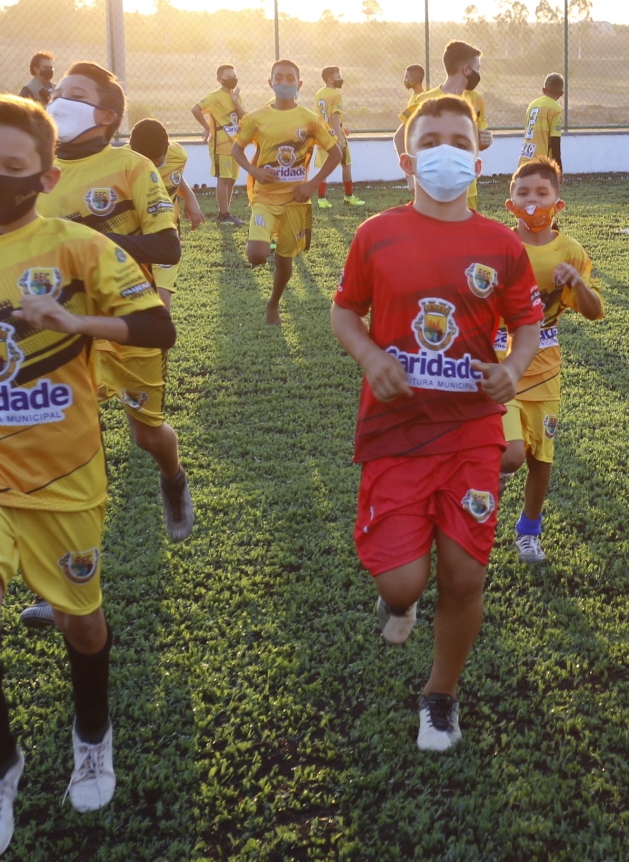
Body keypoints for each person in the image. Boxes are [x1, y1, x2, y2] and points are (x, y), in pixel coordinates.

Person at [0, 92, 178, 861]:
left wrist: (77, 323)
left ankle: (92, 735)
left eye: (13, 167)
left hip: (64, 471)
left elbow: (157, 325)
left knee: (81, 623)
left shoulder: (80, 248)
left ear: (45, 171)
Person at [330, 94, 541, 751]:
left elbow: (527, 322)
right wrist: (369, 356)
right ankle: (399, 601)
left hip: (472, 432)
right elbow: (344, 313)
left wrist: (513, 366)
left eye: (459, 138)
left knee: (465, 575)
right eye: (431, 139)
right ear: (406, 157)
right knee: (404, 580)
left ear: (479, 155)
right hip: (395, 431)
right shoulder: (375, 234)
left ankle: (440, 694)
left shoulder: (500, 244)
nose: (446, 149)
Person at [38, 62, 195, 548]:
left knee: (147, 437)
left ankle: (173, 479)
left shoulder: (132, 167)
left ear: (105, 115)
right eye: (58, 92)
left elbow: (168, 249)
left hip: (132, 323)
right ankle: (70, 576)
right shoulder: (39, 176)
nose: (57, 100)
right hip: (67, 330)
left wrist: (93, 242)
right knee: (72, 442)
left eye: (74, 94)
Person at [496, 160, 604, 564]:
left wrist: (575, 282)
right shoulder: (499, 244)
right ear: (510, 204)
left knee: (541, 459)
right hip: (501, 366)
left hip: (545, 372)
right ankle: (490, 488)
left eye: (542, 193)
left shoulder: (570, 251)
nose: (532, 202)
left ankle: (528, 532)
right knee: (512, 453)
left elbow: (594, 312)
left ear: (558, 204)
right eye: (523, 193)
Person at [232, 59, 344, 325]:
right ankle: (266, 234)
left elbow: (336, 153)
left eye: (290, 79)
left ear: (299, 84)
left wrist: (311, 184)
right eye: (278, 78)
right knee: (257, 256)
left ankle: (273, 304)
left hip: (295, 202)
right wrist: (254, 171)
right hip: (264, 198)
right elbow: (237, 149)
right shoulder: (256, 118)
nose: (284, 83)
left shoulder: (310, 120)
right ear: (270, 83)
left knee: (285, 259)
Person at [393, 41, 492, 209]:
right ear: (466, 69)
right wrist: (411, 178)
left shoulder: (476, 100)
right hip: (431, 187)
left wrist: (484, 141)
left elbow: (476, 143)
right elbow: (400, 136)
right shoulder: (426, 100)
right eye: (478, 68)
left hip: (467, 189)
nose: (478, 73)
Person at [127, 118, 202, 310]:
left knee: (161, 306)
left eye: (157, 163)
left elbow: (175, 175)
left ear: (167, 149)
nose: (151, 167)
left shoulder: (178, 156)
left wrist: (190, 197)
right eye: (145, 164)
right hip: (134, 238)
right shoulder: (120, 163)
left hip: (165, 235)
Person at [192, 65, 247, 226]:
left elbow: (245, 118)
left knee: (231, 179)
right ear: (220, 80)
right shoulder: (215, 97)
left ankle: (227, 214)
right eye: (228, 76)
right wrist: (207, 128)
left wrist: (236, 101)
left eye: (234, 75)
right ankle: (223, 215)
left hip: (235, 144)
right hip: (220, 145)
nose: (233, 79)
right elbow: (195, 109)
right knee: (223, 178)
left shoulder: (236, 96)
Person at [313, 65, 364, 208]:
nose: (340, 79)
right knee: (346, 165)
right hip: (334, 135)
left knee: (324, 167)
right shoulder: (336, 95)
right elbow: (334, 116)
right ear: (330, 79)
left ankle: (321, 200)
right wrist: (340, 137)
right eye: (338, 77)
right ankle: (349, 197)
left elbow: (323, 115)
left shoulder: (319, 93)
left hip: (323, 134)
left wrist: (342, 127)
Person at [520, 75, 565, 170]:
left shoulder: (532, 104)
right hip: (542, 161)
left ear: (543, 90)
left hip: (525, 158)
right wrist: (558, 166)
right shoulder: (556, 109)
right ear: (561, 94)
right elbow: (555, 140)